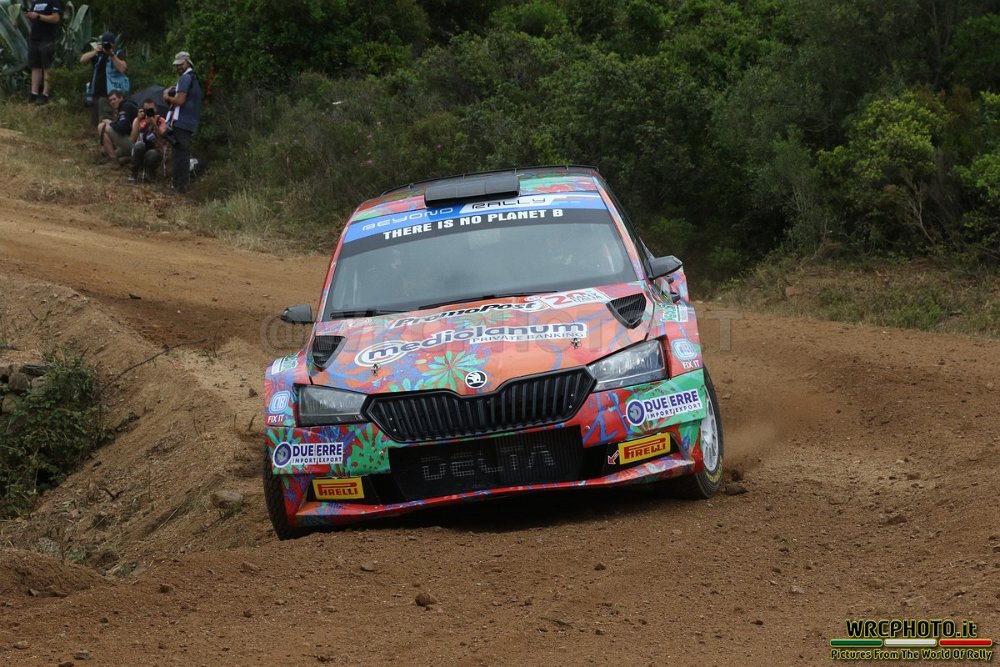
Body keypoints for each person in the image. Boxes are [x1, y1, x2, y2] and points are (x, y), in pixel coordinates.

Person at [163, 51, 202, 194]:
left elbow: (180, 100)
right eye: (177, 65)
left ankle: (179, 186)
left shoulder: (185, 78)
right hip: (189, 121)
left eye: (181, 64)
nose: (178, 67)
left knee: (180, 155)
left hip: (182, 122)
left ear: (188, 63)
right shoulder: (193, 78)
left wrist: (167, 97)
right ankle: (180, 185)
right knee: (182, 153)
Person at [80, 31, 129, 127]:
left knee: (106, 120)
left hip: (110, 94)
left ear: (113, 44)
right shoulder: (98, 55)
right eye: (104, 44)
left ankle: (106, 133)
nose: (106, 46)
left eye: (108, 44)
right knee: (95, 122)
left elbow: (122, 68)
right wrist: (95, 51)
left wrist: (112, 54)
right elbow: (82, 60)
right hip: (96, 93)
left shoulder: (117, 53)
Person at [25, 0, 63, 105]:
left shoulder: (53, 1)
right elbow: (32, 17)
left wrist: (39, 16)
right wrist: (29, 15)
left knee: (47, 66)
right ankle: (34, 94)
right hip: (34, 37)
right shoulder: (36, 2)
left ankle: (45, 94)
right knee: (35, 66)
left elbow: (56, 18)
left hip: (47, 39)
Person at [128, 99, 167, 183]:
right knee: (139, 145)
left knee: (151, 153)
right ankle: (133, 173)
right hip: (142, 150)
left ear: (156, 109)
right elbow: (132, 139)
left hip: (156, 150)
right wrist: (138, 120)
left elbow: (163, 141)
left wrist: (154, 125)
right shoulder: (138, 120)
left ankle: (150, 174)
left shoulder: (162, 121)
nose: (149, 112)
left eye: (151, 109)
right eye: (146, 110)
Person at [97, 90, 138, 166]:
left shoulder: (126, 107)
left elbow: (122, 129)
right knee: (116, 154)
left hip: (136, 145)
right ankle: (128, 159)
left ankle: (114, 162)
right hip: (135, 144)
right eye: (110, 100)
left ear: (121, 98)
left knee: (101, 126)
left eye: (114, 99)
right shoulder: (125, 106)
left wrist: (110, 123)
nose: (112, 102)